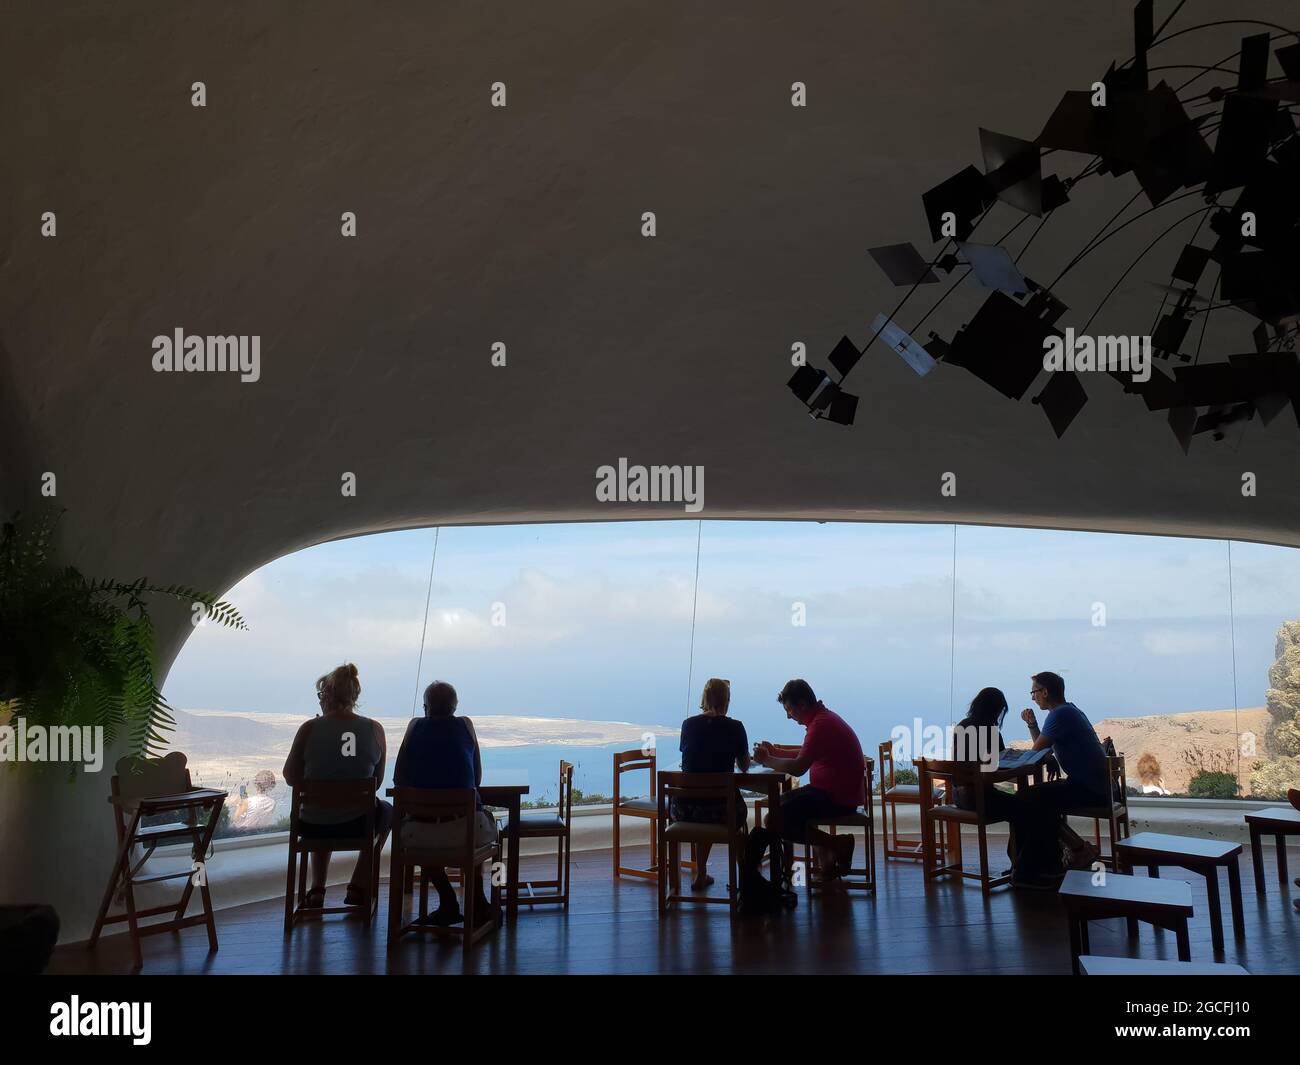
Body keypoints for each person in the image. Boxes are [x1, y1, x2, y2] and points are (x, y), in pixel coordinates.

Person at [282, 663, 393, 908]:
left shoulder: (309, 729)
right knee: (387, 811)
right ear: (355, 697)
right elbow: (376, 782)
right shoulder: (375, 730)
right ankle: (357, 884)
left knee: (322, 811)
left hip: (311, 826)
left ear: (327, 696)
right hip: (357, 825)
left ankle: (317, 889)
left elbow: (290, 776)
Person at [392, 681, 499, 927]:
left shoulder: (414, 727)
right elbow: (477, 778)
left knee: (427, 836)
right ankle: (480, 899)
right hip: (466, 833)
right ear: (455, 706)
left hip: (419, 837)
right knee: (485, 827)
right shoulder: (466, 725)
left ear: (425, 707)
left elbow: (399, 778)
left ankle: (448, 899)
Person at [753, 679, 864, 880]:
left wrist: (768, 759)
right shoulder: (823, 719)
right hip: (832, 792)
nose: (788, 716)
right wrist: (776, 751)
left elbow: (798, 768)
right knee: (779, 805)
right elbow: (806, 753)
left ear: (802, 705)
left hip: (836, 797)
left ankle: (837, 844)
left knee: (774, 819)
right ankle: (827, 853)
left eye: (789, 710)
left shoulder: (821, 725)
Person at [1012, 671, 1106, 887]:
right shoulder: (1068, 711)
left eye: (1034, 691)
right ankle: (1076, 850)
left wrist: (1018, 757)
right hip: (1095, 785)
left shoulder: (1059, 715)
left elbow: (1036, 751)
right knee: (1036, 799)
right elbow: (1043, 750)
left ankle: (1036, 867)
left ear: (1045, 692)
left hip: (1088, 789)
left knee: (1029, 799)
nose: (1032, 697)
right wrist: (1033, 725)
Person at [674, 678, 750, 890]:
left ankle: (701, 874)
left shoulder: (688, 725)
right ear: (727, 701)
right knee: (733, 814)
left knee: (704, 803)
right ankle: (744, 877)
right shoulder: (735, 727)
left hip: (686, 810)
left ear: (704, 699)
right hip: (723, 811)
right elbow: (744, 766)